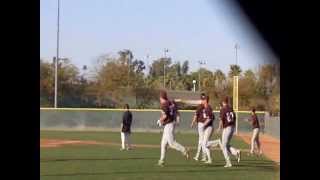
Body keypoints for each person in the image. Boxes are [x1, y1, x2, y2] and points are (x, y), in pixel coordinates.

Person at [157, 90, 190, 167]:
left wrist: (159, 120)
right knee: (163, 144)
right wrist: (178, 119)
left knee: (171, 143)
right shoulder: (171, 102)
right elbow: (177, 111)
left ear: (161, 97)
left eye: (160, 98)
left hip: (169, 125)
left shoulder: (164, 105)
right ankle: (162, 160)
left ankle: (184, 150)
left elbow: (165, 116)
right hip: (170, 124)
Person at [197, 95, 222, 164]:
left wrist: (203, 125)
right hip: (207, 127)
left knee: (204, 144)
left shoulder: (208, 108)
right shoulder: (205, 107)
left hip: (209, 127)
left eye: (203, 100)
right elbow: (212, 117)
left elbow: (210, 118)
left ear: (205, 100)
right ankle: (209, 159)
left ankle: (217, 142)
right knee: (204, 144)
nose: (201, 101)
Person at [218, 97, 241, 167]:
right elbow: (234, 118)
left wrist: (219, 128)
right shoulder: (231, 108)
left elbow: (221, 120)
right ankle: (236, 152)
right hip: (232, 127)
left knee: (223, 146)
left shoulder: (223, 109)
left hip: (227, 128)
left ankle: (228, 162)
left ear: (223, 102)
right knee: (226, 144)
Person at [190, 93, 207, 162]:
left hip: (201, 124)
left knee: (201, 141)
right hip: (206, 124)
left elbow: (196, 115)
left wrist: (192, 123)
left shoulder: (200, 106)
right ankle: (201, 156)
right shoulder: (207, 106)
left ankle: (202, 156)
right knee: (202, 140)